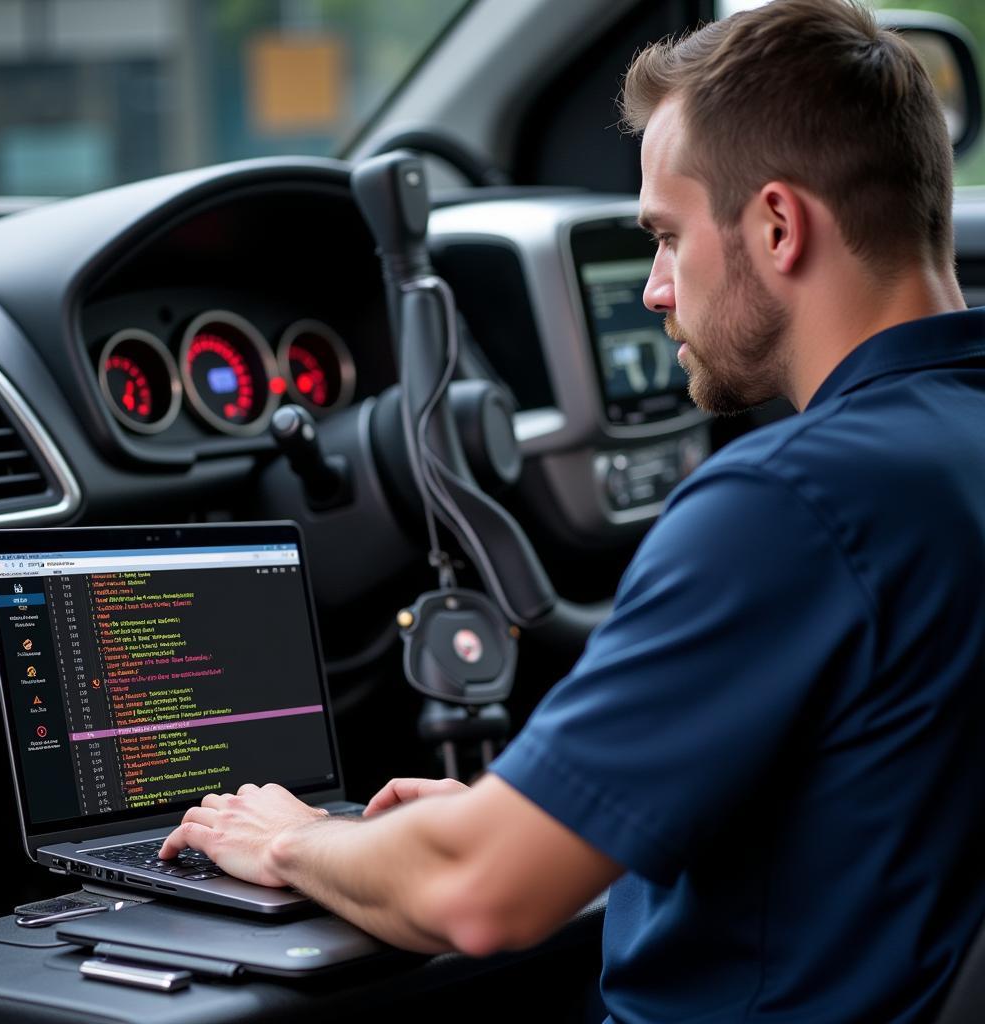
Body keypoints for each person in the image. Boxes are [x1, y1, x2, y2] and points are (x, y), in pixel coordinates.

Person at [160, 0, 985, 1019]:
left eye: (668, 237)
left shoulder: (790, 505)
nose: (651, 290)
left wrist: (288, 835)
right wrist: (549, 811)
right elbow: (867, 796)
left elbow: (477, 894)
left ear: (777, 225)